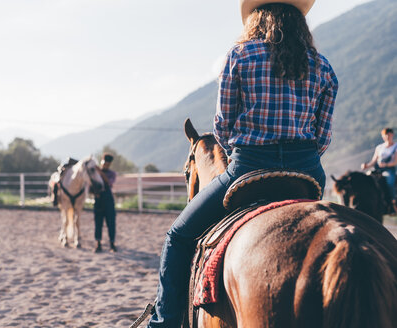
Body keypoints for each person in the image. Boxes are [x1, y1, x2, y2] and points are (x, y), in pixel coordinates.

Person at [146, 1, 338, 326]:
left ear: (255, 19)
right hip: (306, 173)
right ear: (299, 23)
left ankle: (162, 324)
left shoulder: (240, 55)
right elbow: (322, 138)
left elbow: (221, 127)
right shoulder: (322, 67)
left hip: (248, 168)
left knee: (178, 237)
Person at [361, 128, 397, 212]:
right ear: (383, 136)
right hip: (378, 169)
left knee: (390, 182)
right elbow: (374, 161)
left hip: (389, 169)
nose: (388, 136)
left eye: (389, 134)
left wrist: (386, 164)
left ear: (392, 135)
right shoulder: (379, 147)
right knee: (367, 179)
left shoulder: (395, 147)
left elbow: (395, 162)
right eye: (386, 135)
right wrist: (367, 166)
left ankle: (393, 201)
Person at [94, 153, 118, 253]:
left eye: (107, 165)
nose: (105, 166)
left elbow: (109, 182)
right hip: (98, 200)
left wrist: (100, 173)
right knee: (98, 223)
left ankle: (112, 243)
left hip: (108, 200)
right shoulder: (95, 173)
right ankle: (98, 243)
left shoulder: (112, 174)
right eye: (104, 164)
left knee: (111, 222)